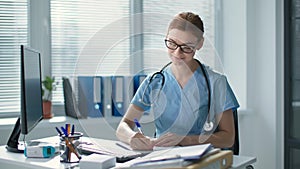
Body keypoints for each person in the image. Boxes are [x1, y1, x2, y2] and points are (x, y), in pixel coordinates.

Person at [116, 12, 239, 151]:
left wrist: (185, 140)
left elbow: (228, 139)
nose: (177, 53)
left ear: (200, 44)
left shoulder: (217, 83)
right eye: (172, 43)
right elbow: (123, 126)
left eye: (187, 47)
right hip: (161, 157)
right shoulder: (154, 82)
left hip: (202, 159)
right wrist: (131, 137)